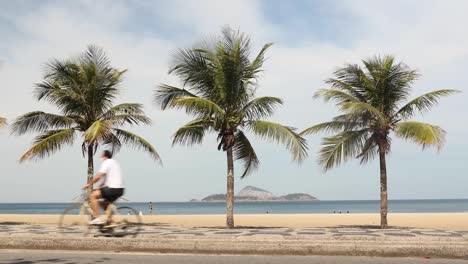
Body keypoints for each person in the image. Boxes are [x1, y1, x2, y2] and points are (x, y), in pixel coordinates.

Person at [83, 150, 124, 225]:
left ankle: (98, 218)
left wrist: (89, 184)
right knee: (105, 204)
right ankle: (111, 223)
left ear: (105, 156)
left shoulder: (106, 162)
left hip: (112, 188)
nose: (101, 158)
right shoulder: (115, 163)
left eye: (102, 156)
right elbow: (105, 181)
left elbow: (99, 176)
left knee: (93, 196)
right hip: (120, 189)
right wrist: (98, 187)